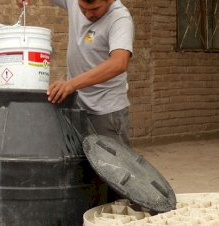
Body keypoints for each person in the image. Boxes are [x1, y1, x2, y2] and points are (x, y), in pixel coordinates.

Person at [16, 0, 134, 147]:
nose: (88, 14)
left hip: (106, 112)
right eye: (83, 9)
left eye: (95, 9)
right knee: (79, 165)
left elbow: (119, 62)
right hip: (77, 107)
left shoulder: (119, 18)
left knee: (113, 167)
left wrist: (71, 84)